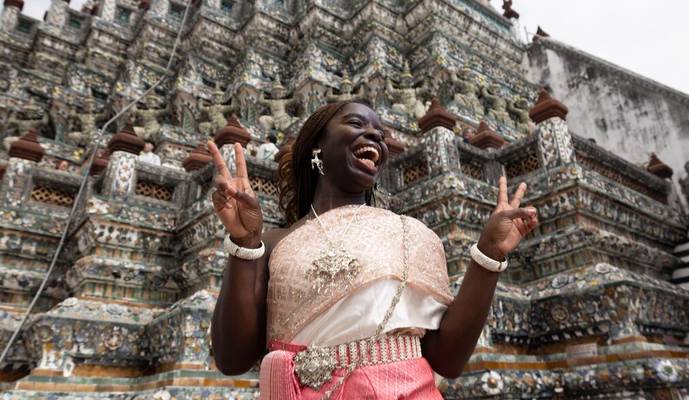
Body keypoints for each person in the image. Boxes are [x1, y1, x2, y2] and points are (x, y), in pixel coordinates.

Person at [208, 101, 538, 399]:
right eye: (356, 124)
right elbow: (232, 358)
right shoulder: (275, 243)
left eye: (380, 134)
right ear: (317, 146)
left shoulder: (411, 235)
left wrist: (489, 255)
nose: (374, 136)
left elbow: (447, 360)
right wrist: (245, 242)